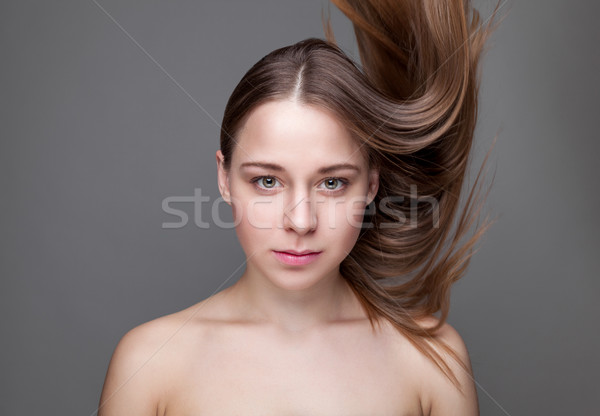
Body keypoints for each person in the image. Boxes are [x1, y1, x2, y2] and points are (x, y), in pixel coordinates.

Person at [98, 0, 496, 414]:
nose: (301, 221)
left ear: (372, 183)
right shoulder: (149, 363)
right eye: (267, 181)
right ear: (224, 178)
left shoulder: (433, 361)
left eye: (333, 182)